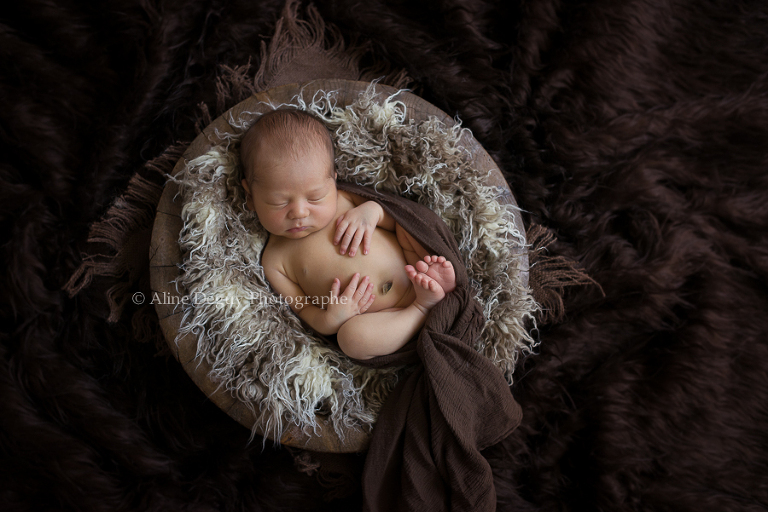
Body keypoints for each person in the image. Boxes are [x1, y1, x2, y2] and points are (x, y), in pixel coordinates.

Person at [239, 108, 456, 360]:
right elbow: (303, 310)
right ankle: (423, 308)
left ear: (333, 180)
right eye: (279, 202)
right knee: (351, 340)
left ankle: (433, 279)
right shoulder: (274, 260)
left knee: (409, 228)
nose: (299, 212)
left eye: (315, 197)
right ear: (250, 196)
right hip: (380, 322)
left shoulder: (343, 199)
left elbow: (398, 213)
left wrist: (373, 211)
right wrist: (331, 318)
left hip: (411, 268)